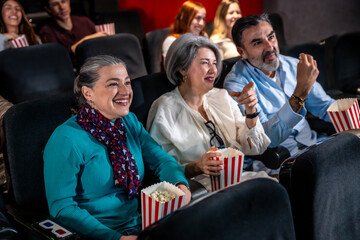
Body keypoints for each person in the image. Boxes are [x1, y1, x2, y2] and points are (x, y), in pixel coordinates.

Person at [43, 55, 191, 240]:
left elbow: (161, 159)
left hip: (141, 222)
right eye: (113, 84)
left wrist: (180, 185)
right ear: (88, 93)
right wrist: (115, 238)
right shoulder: (66, 139)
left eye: (127, 83)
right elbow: (62, 208)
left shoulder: (129, 121)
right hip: (99, 234)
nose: (125, 91)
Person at [147, 33, 271, 190]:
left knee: (272, 188)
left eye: (214, 63)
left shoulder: (221, 96)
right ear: (182, 69)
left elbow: (254, 147)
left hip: (237, 179)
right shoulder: (164, 109)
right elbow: (160, 168)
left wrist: (251, 111)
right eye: (205, 63)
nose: (213, 70)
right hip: (199, 189)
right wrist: (197, 167)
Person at [224, 14, 335, 162]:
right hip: (280, 163)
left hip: (315, 145)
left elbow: (325, 106)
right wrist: (299, 95)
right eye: (257, 43)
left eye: (271, 37)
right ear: (242, 52)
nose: (270, 47)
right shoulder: (236, 85)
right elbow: (266, 139)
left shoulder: (294, 65)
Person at [40, 0, 107, 61]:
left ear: (68, 2)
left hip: (95, 64)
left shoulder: (85, 21)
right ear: (48, 9)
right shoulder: (47, 31)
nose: (62, 7)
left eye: (63, 1)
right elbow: (60, 57)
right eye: (55, 4)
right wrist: (87, 39)